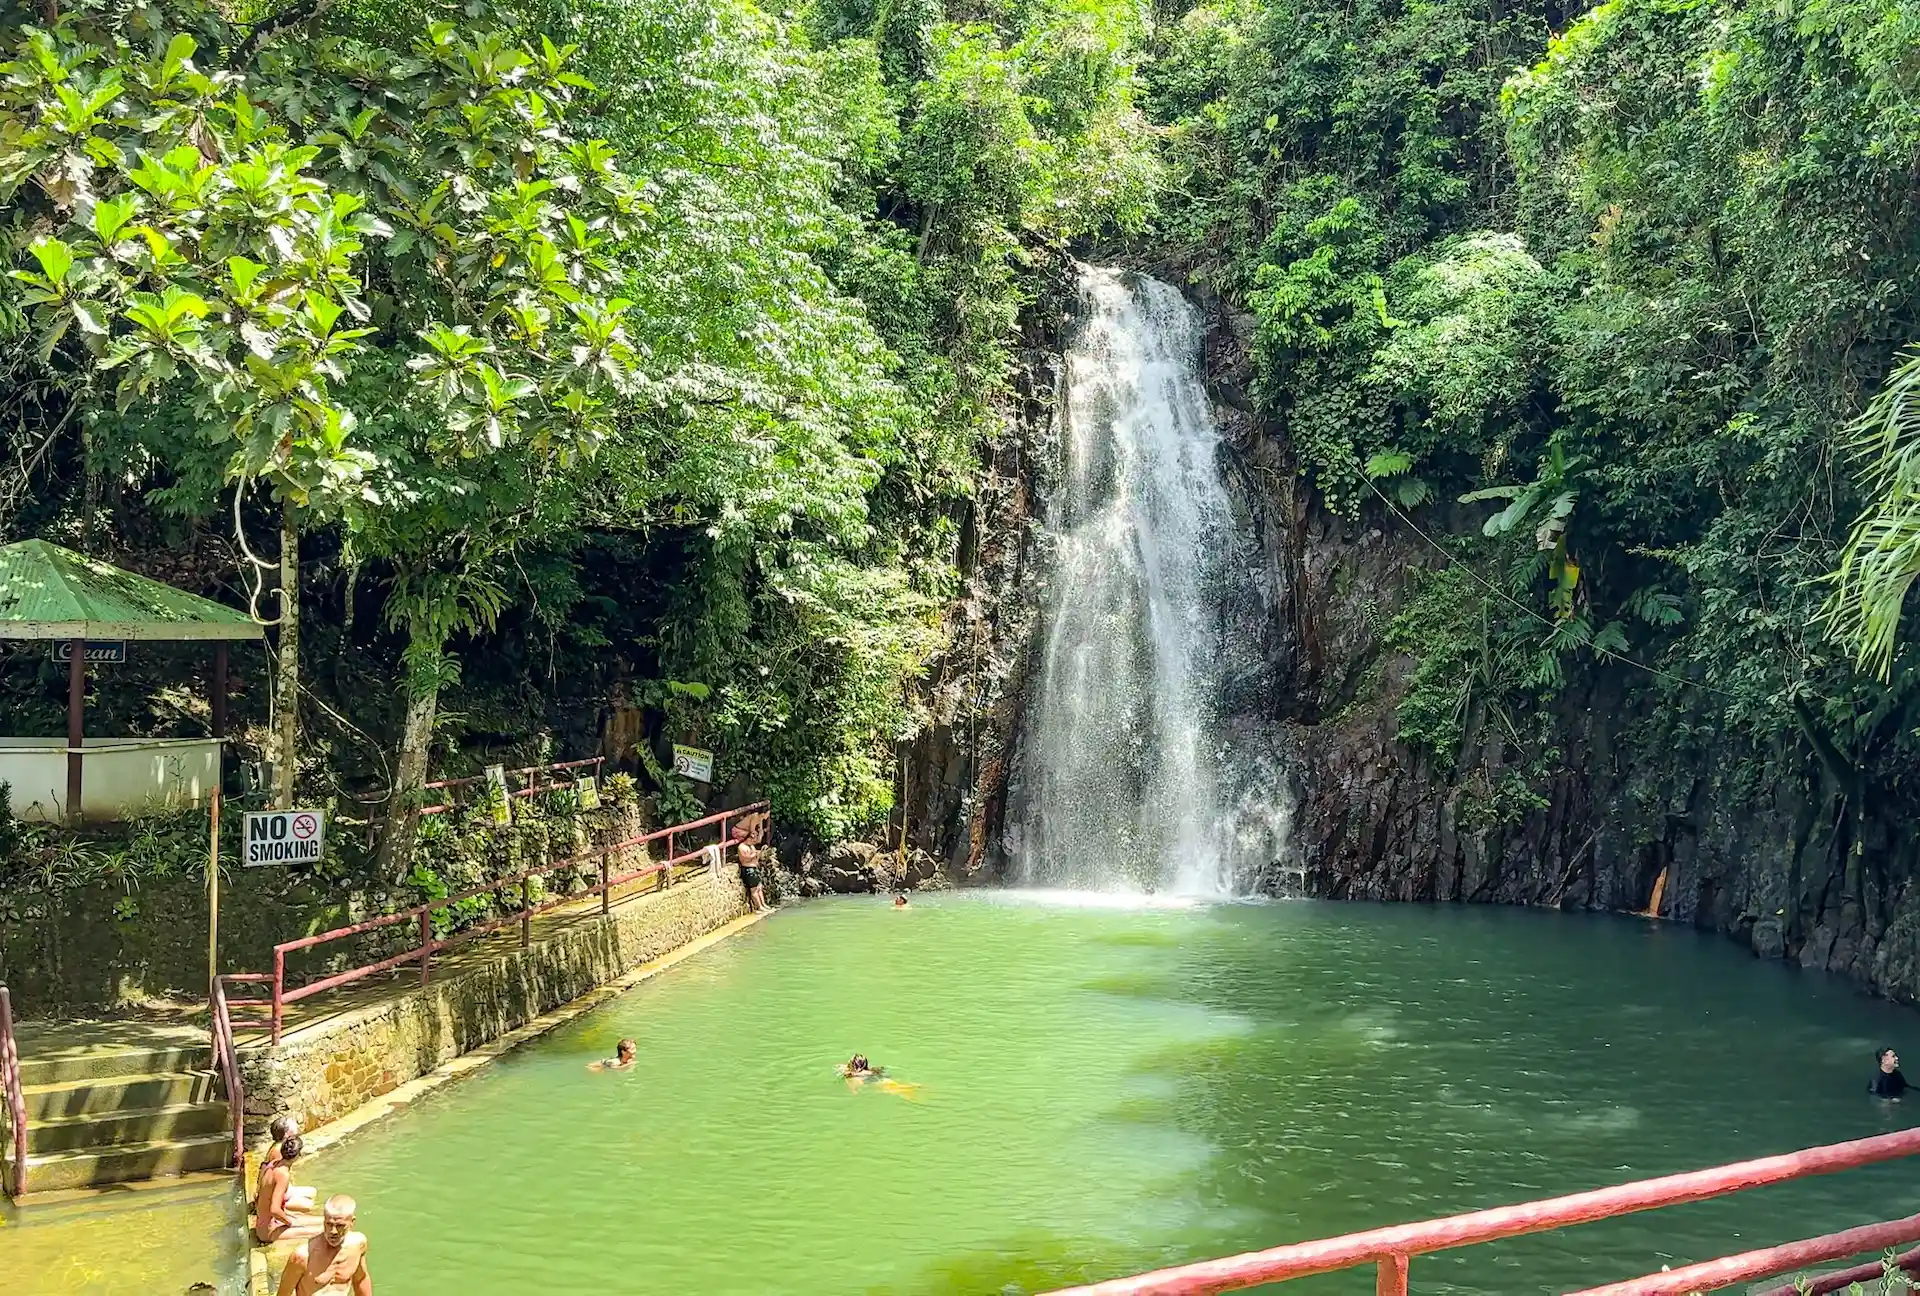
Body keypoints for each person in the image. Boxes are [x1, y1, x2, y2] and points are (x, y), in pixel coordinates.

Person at [276, 1194, 372, 1296]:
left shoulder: (358, 1245)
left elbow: (360, 1279)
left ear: (352, 1222)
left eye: (340, 1226)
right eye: (329, 1224)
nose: (333, 1231)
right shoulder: (303, 1257)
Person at [255, 1135, 318, 1243]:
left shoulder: (273, 1164)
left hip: (264, 1223)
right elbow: (274, 1210)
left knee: (324, 1221)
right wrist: (289, 1223)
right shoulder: (283, 1174)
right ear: (298, 1155)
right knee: (321, 1230)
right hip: (268, 1231)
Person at [262, 1115, 316, 1214]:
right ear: (286, 1134)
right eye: (293, 1127)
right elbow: (277, 1180)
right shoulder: (278, 1152)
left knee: (312, 1191)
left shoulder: (279, 1146)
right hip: (277, 1197)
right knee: (309, 1205)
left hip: (281, 1191)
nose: (296, 1128)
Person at [733, 818, 769, 913]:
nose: (754, 841)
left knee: (759, 888)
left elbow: (756, 858)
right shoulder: (742, 847)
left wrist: (760, 854)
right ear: (748, 838)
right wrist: (755, 854)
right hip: (748, 869)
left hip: (754, 868)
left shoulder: (751, 846)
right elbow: (745, 858)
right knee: (754, 890)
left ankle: (763, 904)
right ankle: (759, 907)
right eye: (752, 839)